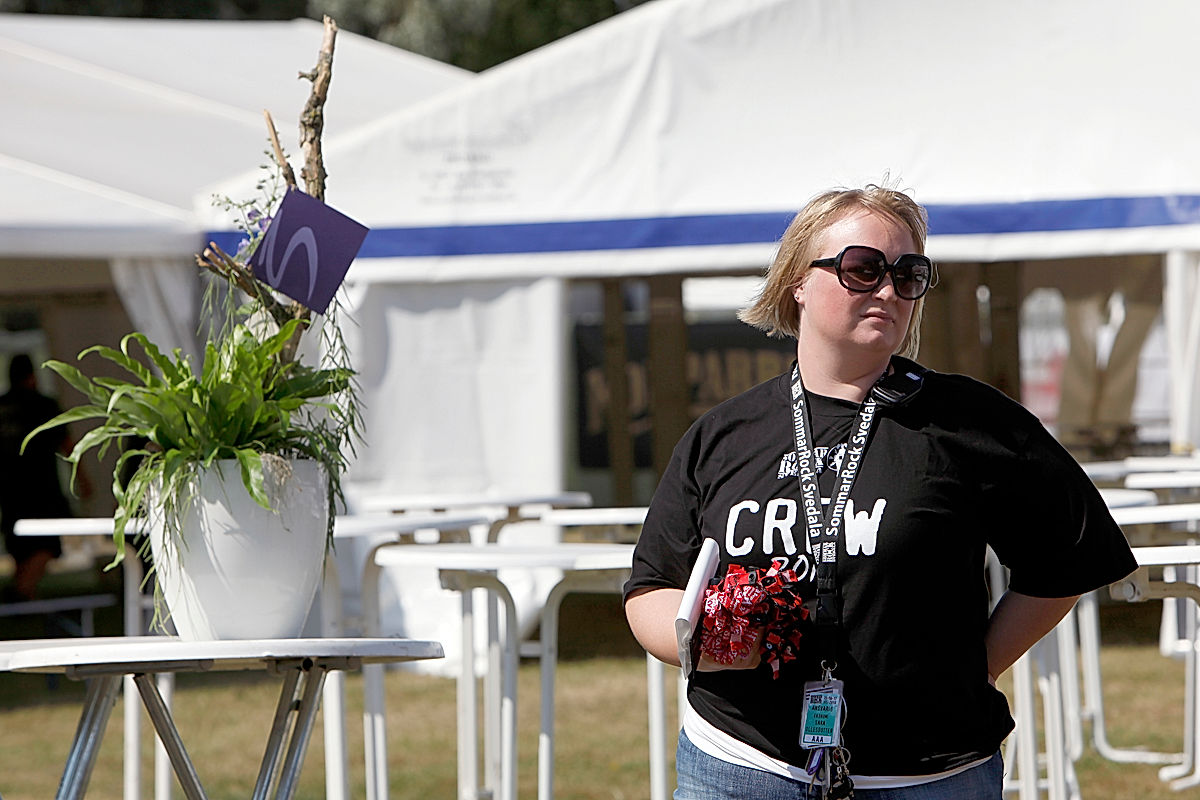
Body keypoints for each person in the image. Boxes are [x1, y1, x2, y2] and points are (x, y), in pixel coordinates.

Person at [624, 185, 1137, 799]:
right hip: (741, 766)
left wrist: (974, 666)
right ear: (798, 282)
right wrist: (703, 643)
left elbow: (1066, 560)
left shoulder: (971, 422)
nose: (889, 291)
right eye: (862, 270)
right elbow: (652, 586)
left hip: (926, 775)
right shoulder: (725, 434)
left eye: (908, 273)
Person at [0, 353, 75, 602]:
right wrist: (82, 477)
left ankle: (23, 595)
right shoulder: (44, 405)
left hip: (10, 489)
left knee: (21, 547)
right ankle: (20, 593)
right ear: (32, 376)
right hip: (43, 488)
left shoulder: (3, 407)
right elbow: (68, 444)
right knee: (47, 545)